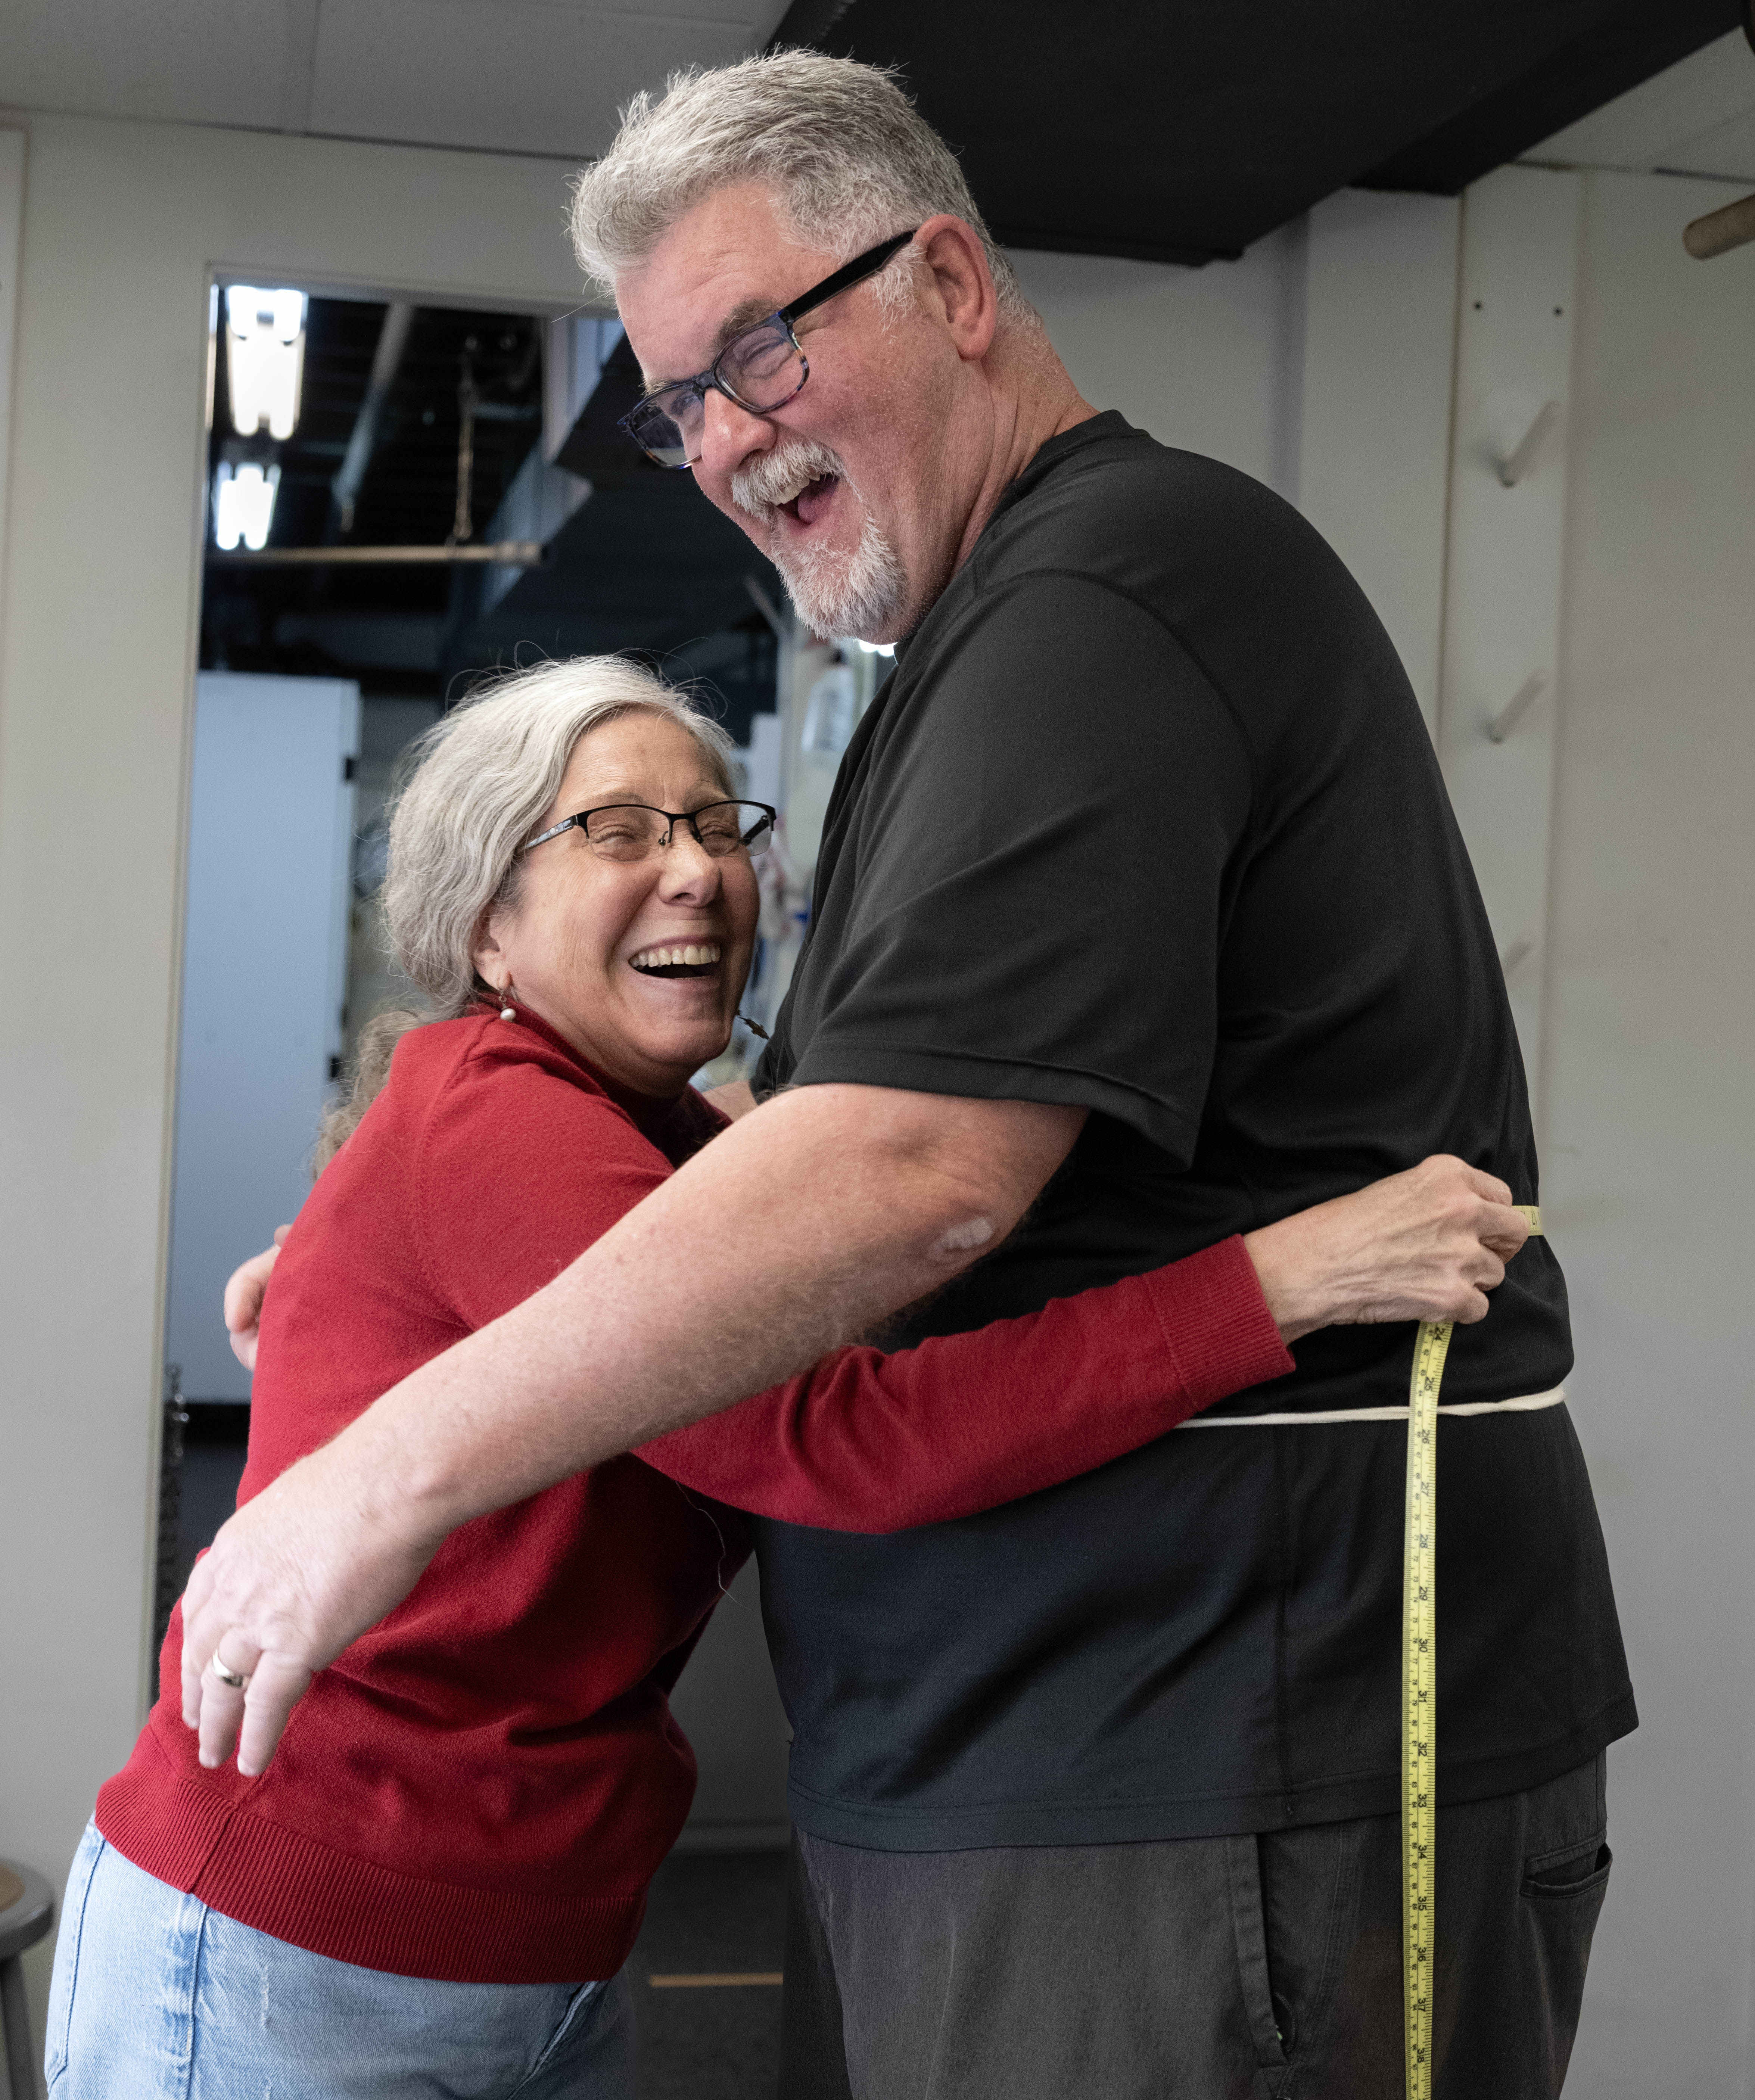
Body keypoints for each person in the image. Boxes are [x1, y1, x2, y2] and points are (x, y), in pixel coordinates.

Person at [181, 53, 1631, 2100]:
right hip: (1045, 1760)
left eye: (759, 350)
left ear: (948, 280)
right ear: (476, 923)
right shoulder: (967, 666)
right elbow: (820, 1160)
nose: (720, 439)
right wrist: (396, 1257)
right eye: (677, 401)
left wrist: (391, 1452)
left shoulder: (1103, 598)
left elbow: (913, 1169)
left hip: (1200, 1743)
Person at [47, 659, 1511, 2100]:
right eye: (617, 832)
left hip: (517, 1952)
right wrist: (1289, 1279)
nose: (695, 873)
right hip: (297, 1960)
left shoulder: (641, 1130)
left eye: (712, 824)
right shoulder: (507, 1123)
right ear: (488, 927)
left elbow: (772, 1167)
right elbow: (839, 1440)